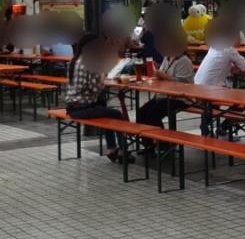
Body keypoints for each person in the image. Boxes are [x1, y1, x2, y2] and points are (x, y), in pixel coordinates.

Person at [65, 33, 131, 161]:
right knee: (117, 114)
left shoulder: (75, 60)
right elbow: (95, 89)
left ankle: (112, 148)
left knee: (106, 110)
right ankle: (123, 151)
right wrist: (102, 74)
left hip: (73, 106)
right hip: (82, 108)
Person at [137, 27, 194, 127]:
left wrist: (162, 74)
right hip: (164, 95)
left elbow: (182, 84)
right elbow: (161, 74)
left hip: (180, 98)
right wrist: (157, 69)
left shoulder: (184, 60)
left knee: (152, 114)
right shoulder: (167, 57)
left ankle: (159, 137)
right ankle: (148, 137)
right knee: (141, 113)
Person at [193, 17, 245, 87]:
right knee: (232, 91)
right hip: (209, 88)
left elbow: (221, 62)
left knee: (226, 85)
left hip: (197, 85)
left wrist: (233, 67)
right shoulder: (229, 48)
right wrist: (236, 67)